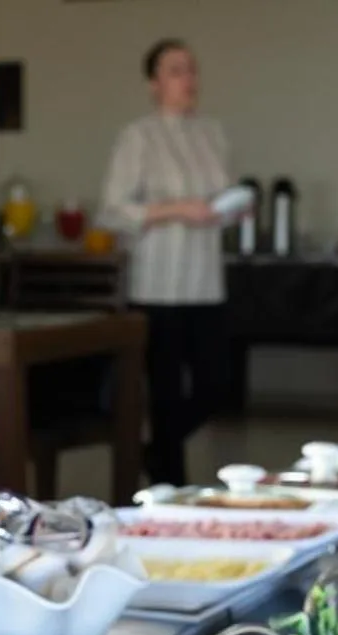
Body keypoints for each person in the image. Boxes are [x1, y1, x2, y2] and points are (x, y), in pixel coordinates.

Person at [100, 39, 241, 488]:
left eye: (192, 69)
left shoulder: (212, 134)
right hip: (158, 284)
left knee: (216, 385)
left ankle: (154, 453)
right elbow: (113, 209)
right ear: (154, 84)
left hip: (206, 282)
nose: (188, 79)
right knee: (165, 394)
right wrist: (176, 209)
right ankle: (171, 486)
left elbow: (219, 198)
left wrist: (233, 208)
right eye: (176, 70)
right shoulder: (138, 136)